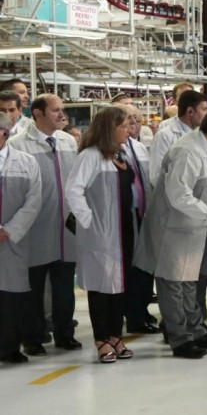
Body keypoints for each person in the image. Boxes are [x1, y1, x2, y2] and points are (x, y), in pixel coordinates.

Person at [139, 110, 207, 359]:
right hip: (172, 228)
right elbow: (179, 195)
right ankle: (179, 339)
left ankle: (195, 331)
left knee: (189, 282)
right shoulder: (187, 151)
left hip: (192, 226)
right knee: (173, 284)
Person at [65, 107, 138, 363]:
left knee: (118, 286)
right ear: (110, 128)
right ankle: (101, 339)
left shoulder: (120, 154)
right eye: (123, 125)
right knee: (100, 287)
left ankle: (116, 335)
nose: (128, 129)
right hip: (101, 232)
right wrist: (88, 221)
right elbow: (73, 190)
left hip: (123, 230)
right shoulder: (90, 156)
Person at [10, 94, 80, 355]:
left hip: (66, 228)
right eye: (55, 110)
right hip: (34, 228)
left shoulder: (68, 142)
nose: (62, 115)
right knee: (33, 288)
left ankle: (65, 333)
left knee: (64, 287)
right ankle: (33, 337)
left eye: (63, 109)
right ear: (37, 114)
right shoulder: (19, 145)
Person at [0, 115, 42, 364]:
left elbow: (34, 200)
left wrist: (9, 230)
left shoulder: (26, 163)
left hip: (14, 240)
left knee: (11, 297)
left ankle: (9, 347)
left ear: (5, 132)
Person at [116, 105, 159, 334]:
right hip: (125, 216)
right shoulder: (109, 149)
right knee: (131, 267)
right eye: (128, 119)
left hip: (144, 214)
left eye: (137, 119)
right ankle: (133, 315)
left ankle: (142, 310)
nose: (133, 123)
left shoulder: (140, 147)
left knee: (145, 267)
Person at [150, 90, 207, 186]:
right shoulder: (165, 136)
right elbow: (156, 176)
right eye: (204, 109)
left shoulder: (204, 135)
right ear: (190, 111)